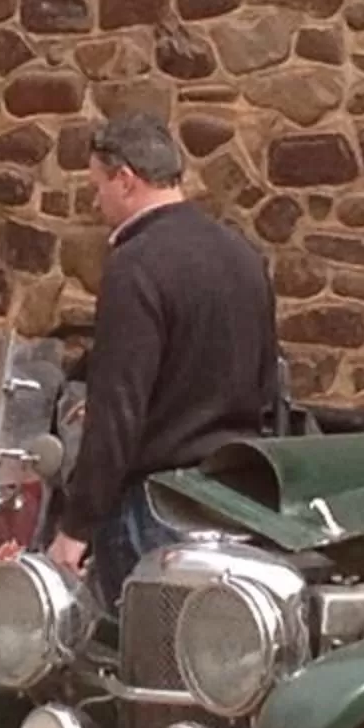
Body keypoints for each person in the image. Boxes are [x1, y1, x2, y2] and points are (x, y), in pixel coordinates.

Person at [50, 113, 284, 604]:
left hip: (154, 509)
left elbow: (118, 411)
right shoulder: (242, 254)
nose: (96, 202)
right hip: (239, 499)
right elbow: (269, 385)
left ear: (126, 180)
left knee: (138, 663)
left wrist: (76, 527)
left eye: (97, 186)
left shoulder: (134, 266)